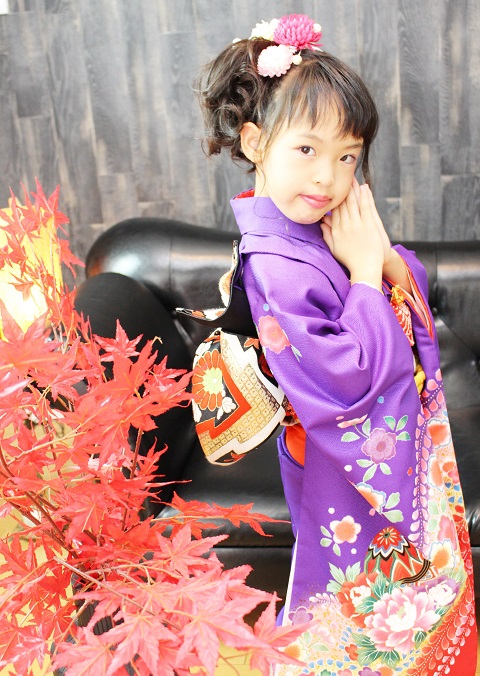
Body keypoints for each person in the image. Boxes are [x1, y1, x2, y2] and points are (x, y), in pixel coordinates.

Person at [196, 14, 477, 674]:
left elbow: (388, 276)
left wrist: (381, 259)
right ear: (256, 141)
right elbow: (345, 377)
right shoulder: (275, 261)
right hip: (340, 455)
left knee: (378, 587)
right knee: (354, 594)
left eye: (347, 156)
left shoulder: (309, 222)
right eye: (307, 149)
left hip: (346, 455)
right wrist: (364, 271)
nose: (327, 177)